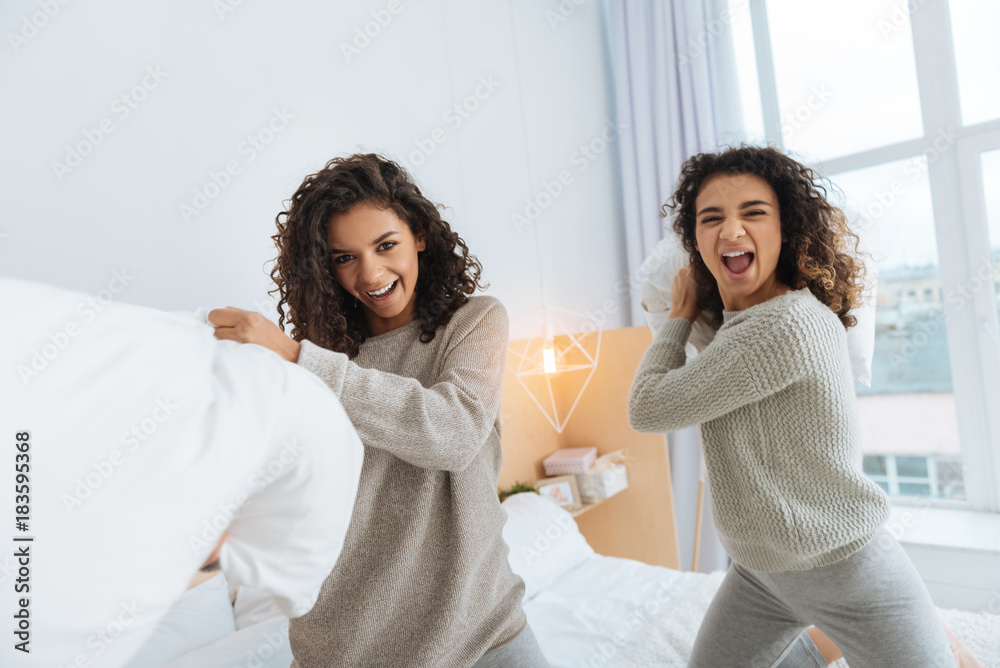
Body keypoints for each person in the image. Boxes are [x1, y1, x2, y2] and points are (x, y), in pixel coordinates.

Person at [627, 145, 974, 667]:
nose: (731, 230)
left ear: (785, 228)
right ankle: (825, 641)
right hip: (760, 574)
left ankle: (924, 633)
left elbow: (647, 407)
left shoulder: (788, 324)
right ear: (696, 240)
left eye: (753, 212)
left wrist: (678, 316)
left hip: (847, 572)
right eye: (711, 218)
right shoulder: (732, 332)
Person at [208, 153, 548, 667]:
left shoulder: (473, 323)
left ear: (419, 236)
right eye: (344, 258)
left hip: (484, 631)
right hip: (349, 645)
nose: (370, 273)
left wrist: (299, 358)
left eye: (385, 245)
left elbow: (452, 433)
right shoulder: (317, 359)